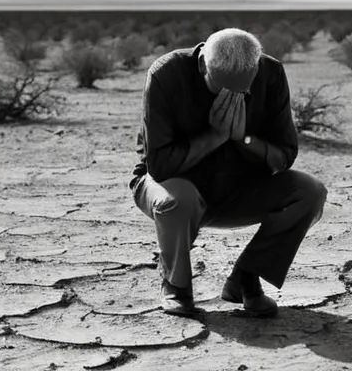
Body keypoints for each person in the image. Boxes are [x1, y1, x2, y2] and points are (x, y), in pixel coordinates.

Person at [129, 27, 327, 318]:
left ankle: (246, 277)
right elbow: (158, 167)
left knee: (310, 193)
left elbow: (285, 154)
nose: (232, 98)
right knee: (177, 199)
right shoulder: (167, 74)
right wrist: (215, 136)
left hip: (239, 188)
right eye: (221, 91)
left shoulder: (269, 74)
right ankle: (176, 287)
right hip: (173, 188)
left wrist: (243, 138)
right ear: (203, 66)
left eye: (242, 93)